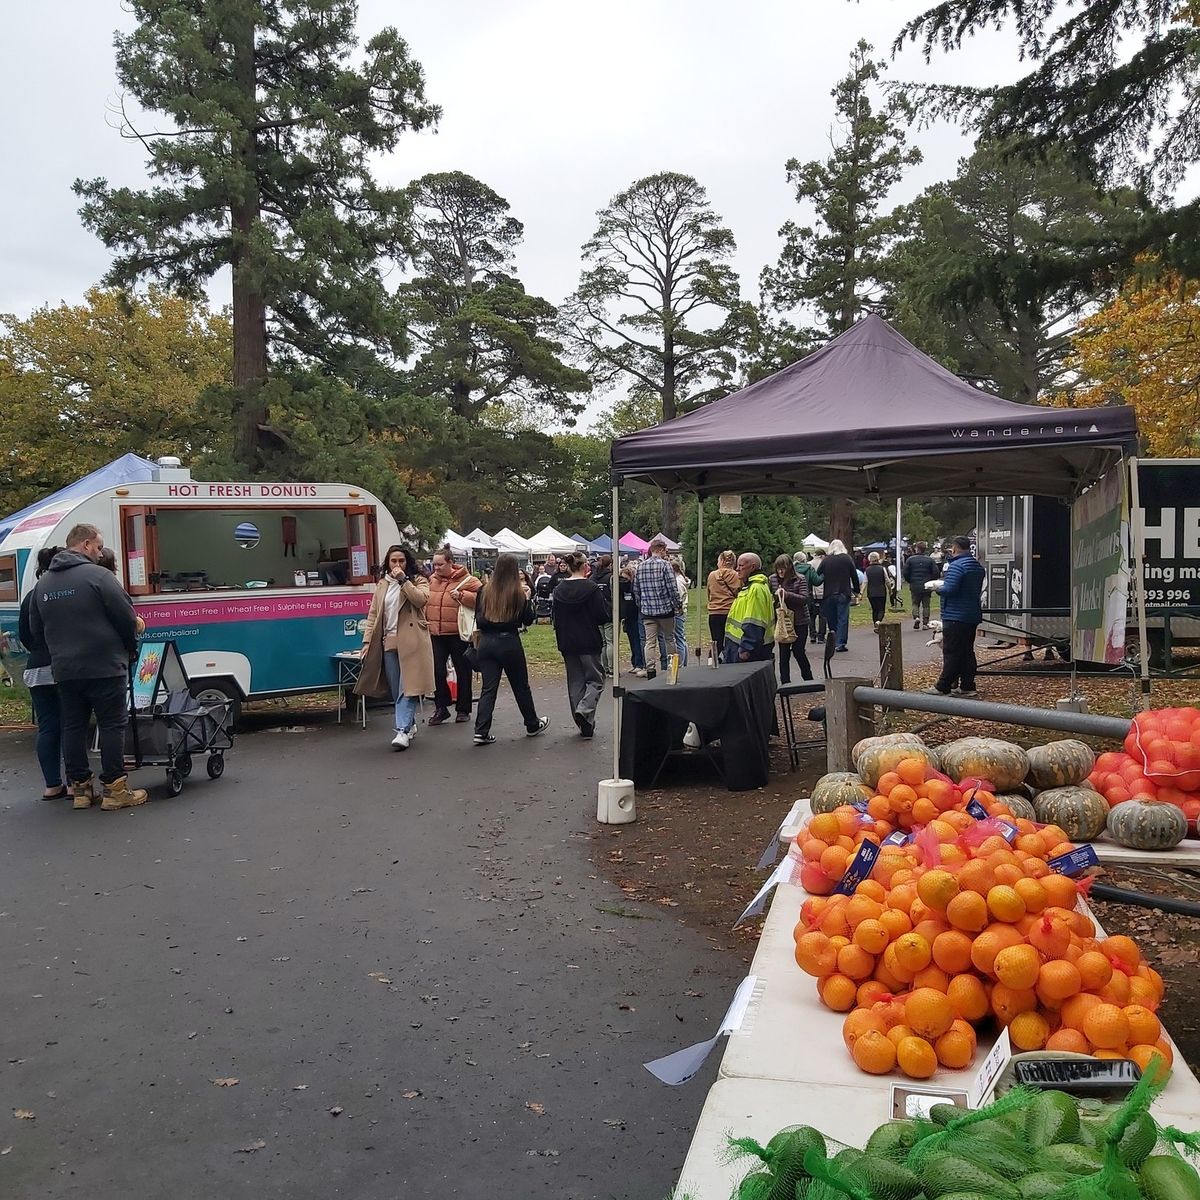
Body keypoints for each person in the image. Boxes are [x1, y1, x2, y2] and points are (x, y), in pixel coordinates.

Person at [30, 524, 147, 811]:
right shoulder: (99, 576)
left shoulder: (42, 585)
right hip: (104, 665)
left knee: (73, 726)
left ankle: (81, 790)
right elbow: (125, 617)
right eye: (97, 546)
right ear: (84, 545)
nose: (99, 552)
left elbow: (35, 631)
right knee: (111, 725)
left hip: (65, 669)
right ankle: (115, 789)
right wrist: (129, 648)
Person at [355, 545, 433, 751]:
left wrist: (403, 581)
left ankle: (402, 731)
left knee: (407, 688)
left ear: (407, 562)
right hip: (388, 641)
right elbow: (373, 614)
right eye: (393, 561)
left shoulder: (418, 580)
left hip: (412, 641)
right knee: (396, 685)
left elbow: (421, 600)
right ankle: (410, 723)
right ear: (387, 563)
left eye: (401, 561)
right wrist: (366, 641)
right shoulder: (382, 584)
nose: (397, 565)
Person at [473, 553, 549, 745]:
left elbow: (479, 618)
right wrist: (528, 599)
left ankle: (481, 730)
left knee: (488, 688)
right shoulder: (517, 593)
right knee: (520, 686)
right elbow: (528, 620)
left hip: (487, 642)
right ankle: (532, 723)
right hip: (509, 641)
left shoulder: (484, 590)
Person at [19, 546, 66, 800]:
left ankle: (52, 784)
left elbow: (25, 634)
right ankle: (75, 783)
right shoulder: (62, 592)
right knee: (71, 723)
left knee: (48, 726)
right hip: (62, 666)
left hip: (36, 667)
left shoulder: (30, 596)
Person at [551, 551, 610, 738]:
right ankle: (585, 709)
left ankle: (584, 723)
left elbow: (556, 618)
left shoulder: (558, 590)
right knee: (596, 679)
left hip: (567, 641)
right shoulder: (591, 589)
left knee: (575, 682)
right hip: (588, 639)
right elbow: (601, 616)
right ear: (585, 566)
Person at [426, 546, 481, 727]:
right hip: (436, 632)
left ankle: (463, 709)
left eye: (440, 564)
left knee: (463, 670)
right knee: (437, 671)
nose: (436, 568)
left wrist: (463, 596)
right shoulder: (431, 580)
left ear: (451, 563)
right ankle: (441, 707)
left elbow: (483, 599)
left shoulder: (468, 580)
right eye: (434, 565)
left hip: (458, 633)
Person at [926, 535, 986, 698]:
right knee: (967, 651)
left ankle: (943, 685)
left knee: (951, 650)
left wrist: (937, 589)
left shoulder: (956, 566)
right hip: (971, 614)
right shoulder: (976, 566)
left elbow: (950, 589)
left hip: (955, 614)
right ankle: (967, 685)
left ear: (954, 548)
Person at [633, 539, 680, 673]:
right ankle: (672, 668)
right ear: (660, 549)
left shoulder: (640, 566)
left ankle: (650, 669)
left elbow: (636, 590)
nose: (666, 553)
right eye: (665, 550)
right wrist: (677, 605)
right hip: (665, 609)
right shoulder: (665, 565)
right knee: (669, 639)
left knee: (650, 642)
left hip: (648, 611)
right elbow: (672, 588)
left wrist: (641, 605)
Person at [723, 553, 776, 664]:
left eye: (741, 565)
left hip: (745, 650)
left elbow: (754, 622)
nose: (737, 569)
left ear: (752, 567)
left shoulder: (756, 588)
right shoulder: (751, 586)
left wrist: (746, 649)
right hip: (738, 645)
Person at [769, 554, 813, 682]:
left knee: (798, 651)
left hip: (800, 621)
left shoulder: (800, 579)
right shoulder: (772, 579)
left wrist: (786, 595)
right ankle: (785, 682)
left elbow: (804, 599)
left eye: (783, 568)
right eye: (778, 568)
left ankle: (808, 678)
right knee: (784, 653)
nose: (780, 571)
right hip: (782, 621)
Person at [817, 539, 860, 652]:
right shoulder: (847, 558)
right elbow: (854, 575)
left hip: (828, 593)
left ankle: (833, 639)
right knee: (842, 618)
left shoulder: (826, 560)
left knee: (832, 618)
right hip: (843, 592)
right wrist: (856, 590)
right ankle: (840, 643)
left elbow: (818, 574)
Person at [705, 550, 741, 654]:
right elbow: (739, 593)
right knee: (731, 641)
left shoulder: (712, 575)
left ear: (721, 561)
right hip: (731, 612)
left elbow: (709, 593)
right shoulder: (736, 575)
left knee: (716, 642)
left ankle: (712, 661)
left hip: (714, 612)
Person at [903, 541, 938, 630]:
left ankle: (916, 617)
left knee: (915, 603)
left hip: (914, 584)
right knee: (926, 605)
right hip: (927, 585)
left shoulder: (910, 559)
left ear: (917, 548)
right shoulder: (930, 560)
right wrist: (931, 581)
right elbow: (935, 572)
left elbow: (905, 572)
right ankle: (925, 623)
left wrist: (910, 580)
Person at [618, 565, 645, 676]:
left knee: (637, 640)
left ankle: (639, 663)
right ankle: (635, 663)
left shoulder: (633, 587)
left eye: (625, 579)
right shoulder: (622, 589)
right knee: (632, 641)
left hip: (635, 616)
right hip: (627, 617)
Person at [591, 554, 615, 676]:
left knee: (602, 642)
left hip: (596, 612)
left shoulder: (592, 578)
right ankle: (611, 668)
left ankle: (603, 668)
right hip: (609, 611)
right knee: (610, 641)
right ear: (610, 564)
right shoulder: (611, 577)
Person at [671, 558, 691, 667]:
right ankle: (684, 662)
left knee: (678, 638)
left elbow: (677, 598)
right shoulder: (681, 579)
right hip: (682, 611)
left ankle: (681, 664)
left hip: (678, 612)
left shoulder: (677, 582)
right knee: (681, 638)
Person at [805, 550, 827, 643]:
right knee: (823, 615)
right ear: (822, 555)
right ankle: (821, 636)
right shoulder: (826, 564)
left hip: (811, 592)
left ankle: (812, 635)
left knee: (811, 615)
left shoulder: (809, 564)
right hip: (823, 592)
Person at [864, 552, 889, 625]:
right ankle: (878, 621)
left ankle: (875, 622)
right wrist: (890, 590)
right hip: (881, 592)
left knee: (874, 609)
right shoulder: (882, 569)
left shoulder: (867, 570)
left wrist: (861, 592)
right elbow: (887, 580)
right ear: (878, 558)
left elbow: (865, 582)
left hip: (871, 592)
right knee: (881, 609)